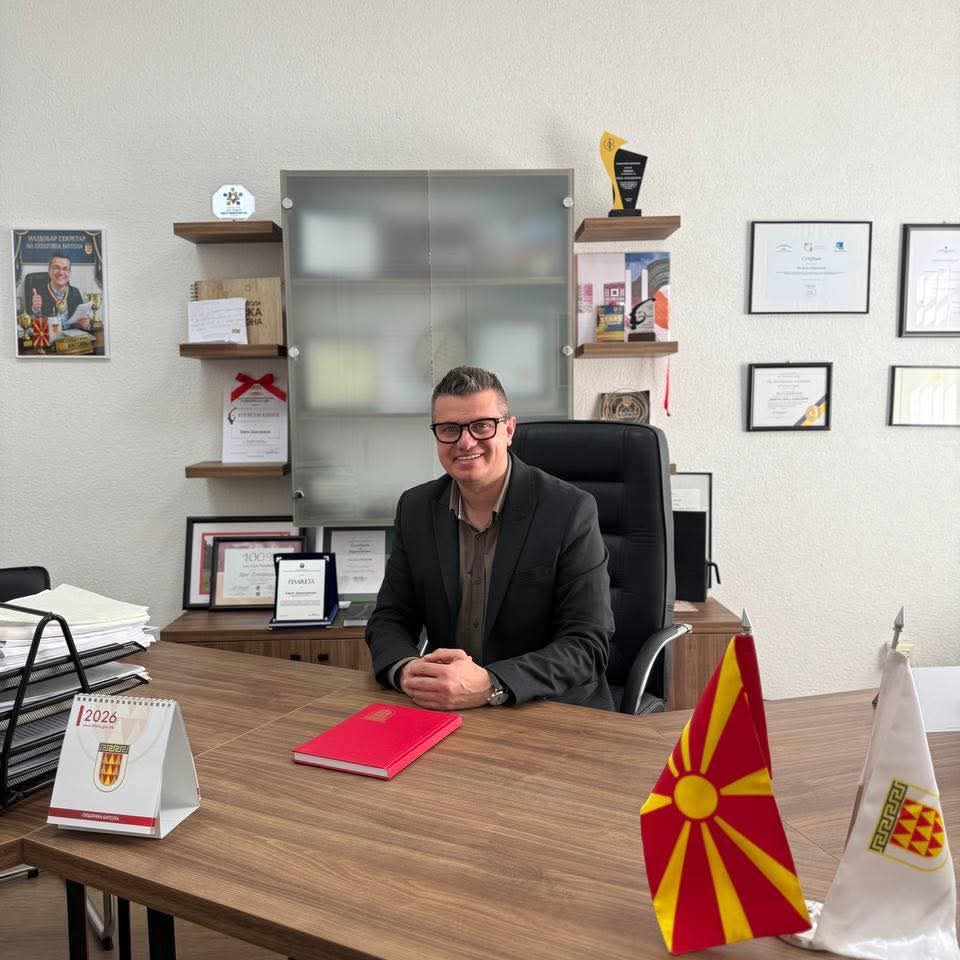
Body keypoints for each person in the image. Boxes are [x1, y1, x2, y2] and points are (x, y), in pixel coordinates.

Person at [366, 366, 615, 711]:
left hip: (547, 709)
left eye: (482, 425)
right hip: (449, 707)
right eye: (449, 429)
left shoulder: (570, 510)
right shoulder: (416, 508)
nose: (465, 442)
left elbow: (587, 644)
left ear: (509, 430)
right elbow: (390, 617)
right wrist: (406, 669)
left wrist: (491, 684)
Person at [27, 252, 89, 330]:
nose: (61, 272)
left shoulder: (75, 292)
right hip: (50, 336)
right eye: (56, 268)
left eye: (65, 269)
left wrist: (85, 324)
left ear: (69, 273)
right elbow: (30, 326)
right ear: (49, 270)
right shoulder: (38, 294)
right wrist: (36, 310)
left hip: (71, 336)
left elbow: (82, 321)